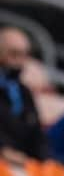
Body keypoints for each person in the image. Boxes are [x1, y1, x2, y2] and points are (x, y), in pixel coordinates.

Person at [0, 26, 47, 163]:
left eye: (24, 55)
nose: (19, 61)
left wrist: (45, 160)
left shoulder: (24, 92)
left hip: (22, 166)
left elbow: (37, 134)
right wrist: (2, 150)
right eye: (14, 54)